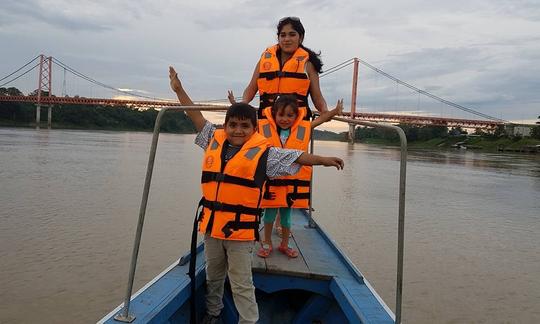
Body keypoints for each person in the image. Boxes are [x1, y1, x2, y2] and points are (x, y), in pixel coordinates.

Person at [169, 66, 344, 324]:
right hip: (211, 228)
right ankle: (213, 313)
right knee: (213, 276)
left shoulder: (265, 153)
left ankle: (248, 321)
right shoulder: (213, 140)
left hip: (240, 234)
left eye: (244, 126)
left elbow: (296, 156)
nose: (237, 130)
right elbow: (195, 116)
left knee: (241, 283)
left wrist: (324, 160)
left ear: (254, 129)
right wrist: (179, 90)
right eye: (233, 125)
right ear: (225, 125)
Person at [254, 94, 343, 258]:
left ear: (296, 116)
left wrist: (335, 111)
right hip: (271, 185)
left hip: (290, 186)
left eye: (290, 115)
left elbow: (320, 120)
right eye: (281, 115)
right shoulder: (262, 128)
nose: (285, 119)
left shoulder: (304, 128)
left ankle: (284, 244)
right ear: (274, 114)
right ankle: (266, 243)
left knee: (287, 219)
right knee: (269, 216)